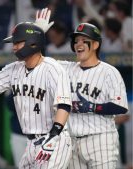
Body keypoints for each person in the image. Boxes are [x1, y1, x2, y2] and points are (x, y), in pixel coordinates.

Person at [0, 8, 73, 168]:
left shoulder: (53, 68)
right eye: (13, 43)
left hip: (54, 139)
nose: (14, 47)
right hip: (30, 141)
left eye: (18, 42)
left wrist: (53, 136)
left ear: (32, 42)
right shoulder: (14, 69)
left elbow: (64, 105)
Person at [36, 10, 129, 167]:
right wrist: (39, 35)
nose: (78, 44)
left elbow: (120, 107)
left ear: (96, 44)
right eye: (76, 41)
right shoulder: (66, 68)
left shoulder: (109, 72)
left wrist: (92, 107)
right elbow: (40, 62)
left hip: (101, 140)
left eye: (84, 40)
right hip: (71, 142)